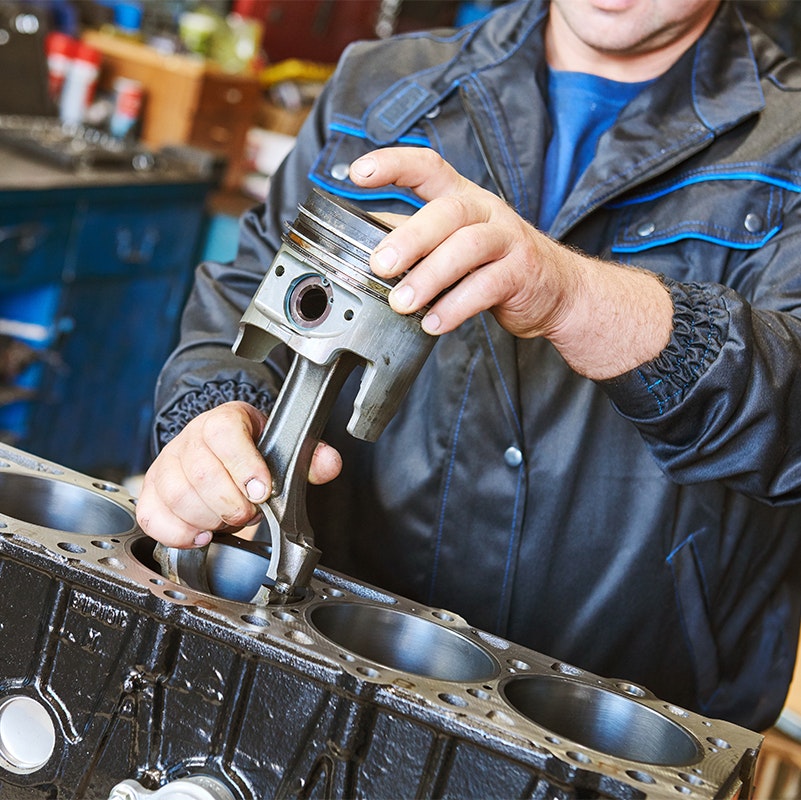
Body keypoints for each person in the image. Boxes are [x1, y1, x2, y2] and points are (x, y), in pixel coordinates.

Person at [136, 0, 801, 732]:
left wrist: (572, 295)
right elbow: (246, 300)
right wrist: (213, 416)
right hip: (320, 666)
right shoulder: (381, 85)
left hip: (618, 727)